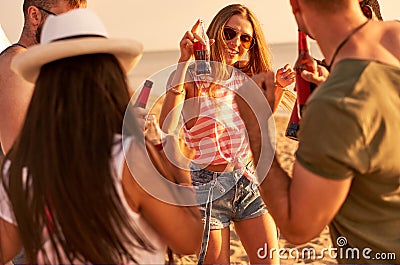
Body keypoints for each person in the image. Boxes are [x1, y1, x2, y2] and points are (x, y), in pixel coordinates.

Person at [0, 8, 202, 264]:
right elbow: (190, 240)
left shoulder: (21, 170)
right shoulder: (127, 160)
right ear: (109, 79)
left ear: (44, 89)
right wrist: (180, 169)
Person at [236, 0, 400, 263]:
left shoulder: (338, 103)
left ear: (296, 9)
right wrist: (331, 83)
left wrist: (256, 128)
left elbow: (298, 227)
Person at [159, 4, 295, 264]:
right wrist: (182, 61)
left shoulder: (247, 78)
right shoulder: (192, 75)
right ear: (215, 32)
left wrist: (277, 86)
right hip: (206, 188)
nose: (236, 43)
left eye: (246, 38)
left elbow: (259, 120)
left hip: (248, 182)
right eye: (230, 33)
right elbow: (168, 124)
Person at [0, 0, 87, 155]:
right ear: (35, 16)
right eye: (66, 23)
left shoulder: (46, 70)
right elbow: (21, 157)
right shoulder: (17, 66)